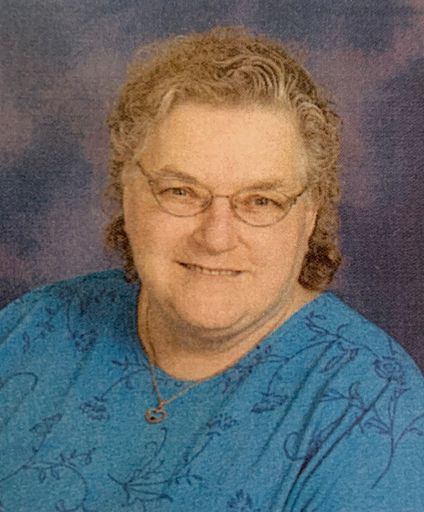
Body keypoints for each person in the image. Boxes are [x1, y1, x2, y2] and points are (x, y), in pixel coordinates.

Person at [0, 26, 423, 512]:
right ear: (126, 191)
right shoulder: (31, 327)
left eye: (260, 200)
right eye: (180, 191)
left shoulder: (373, 409)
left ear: (310, 214)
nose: (216, 237)